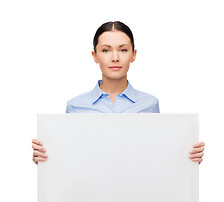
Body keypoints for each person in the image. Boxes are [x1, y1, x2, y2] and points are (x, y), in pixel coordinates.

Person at [32, 21, 205, 165]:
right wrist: (46, 157)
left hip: (136, 194)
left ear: (133, 54)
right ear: (95, 55)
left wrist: (187, 155)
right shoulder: (75, 106)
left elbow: (156, 154)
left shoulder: (150, 104)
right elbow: (70, 156)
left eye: (123, 49)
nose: (115, 58)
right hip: (89, 195)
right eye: (106, 50)